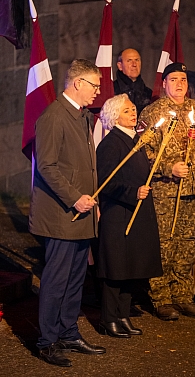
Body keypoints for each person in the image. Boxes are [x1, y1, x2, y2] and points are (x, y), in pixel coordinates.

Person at [29, 59, 106, 367]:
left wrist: (93, 206)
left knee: (76, 279)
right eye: (95, 85)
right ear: (77, 84)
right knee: (56, 280)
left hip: (84, 212)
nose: (98, 91)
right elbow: (46, 166)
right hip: (62, 215)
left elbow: (87, 165)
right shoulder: (54, 116)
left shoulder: (82, 116)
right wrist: (75, 199)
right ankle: (46, 341)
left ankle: (68, 333)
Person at [138, 62, 195, 321]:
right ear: (164, 83)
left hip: (193, 190)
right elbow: (143, 153)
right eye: (173, 79)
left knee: (187, 246)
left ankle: (183, 296)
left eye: (183, 79)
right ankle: (161, 298)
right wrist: (168, 168)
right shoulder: (153, 113)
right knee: (164, 246)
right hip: (166, 192)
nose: (179, 84)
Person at [96, 94, 163, 337]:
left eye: (133, 109)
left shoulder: (136, 140)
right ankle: (108, 318)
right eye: (127, 111)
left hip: (137, 211)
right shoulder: (111, 144)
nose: (133, 113)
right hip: (119, 213)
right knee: (116, 269)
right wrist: (132, 192)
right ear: (114, 116)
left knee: (130, 268)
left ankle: (123, 315)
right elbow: (106, 182)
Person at [113, 48, 152, 115]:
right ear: (120, 66)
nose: (134, 64)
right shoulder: (112, 91)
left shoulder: (149, 94)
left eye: (137, 60)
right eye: (129, 61)